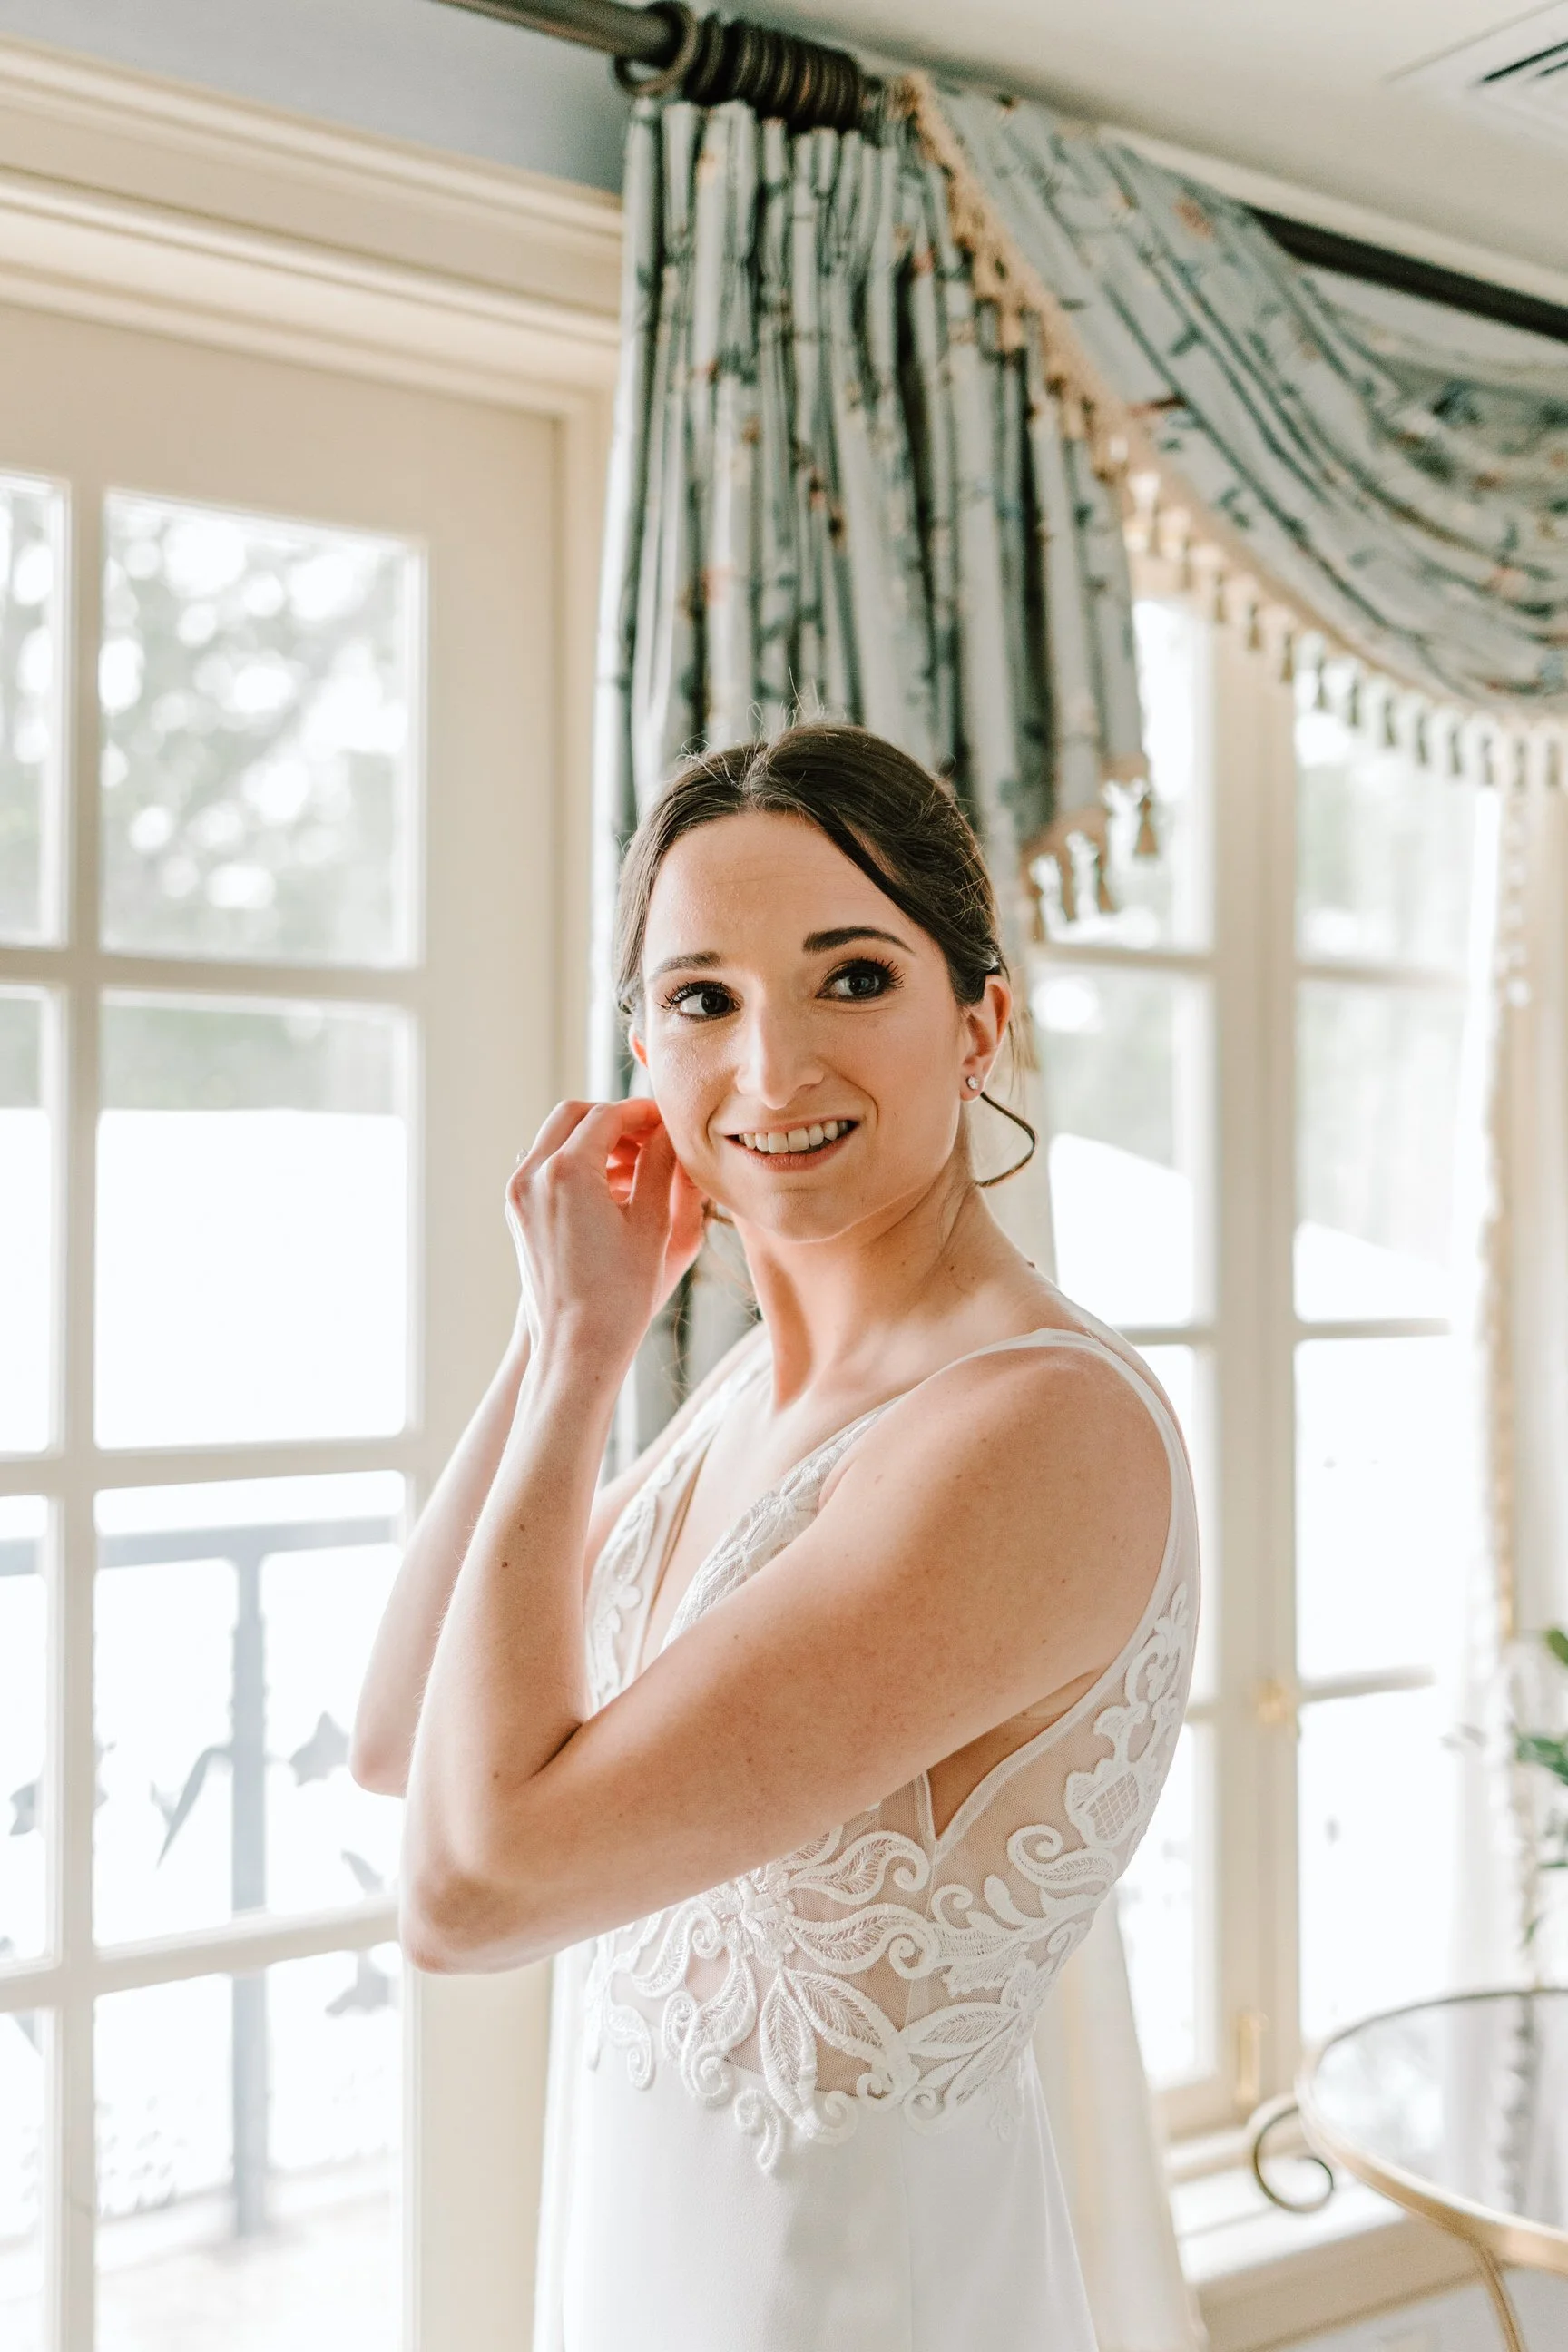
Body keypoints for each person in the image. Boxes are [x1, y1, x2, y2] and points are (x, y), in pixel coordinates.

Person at [350, 721, 1199, 2352]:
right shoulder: (756, 1388)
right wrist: (556, 1339)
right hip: (650, 2272)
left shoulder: (1032, 1430)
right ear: (639, 1056)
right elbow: (406, 1736)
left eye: (855, 979)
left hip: (859, 2299)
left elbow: (467, 1892)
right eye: (701, 1000)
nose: (770, 1069)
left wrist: (593, 1361)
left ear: (981, 1023)